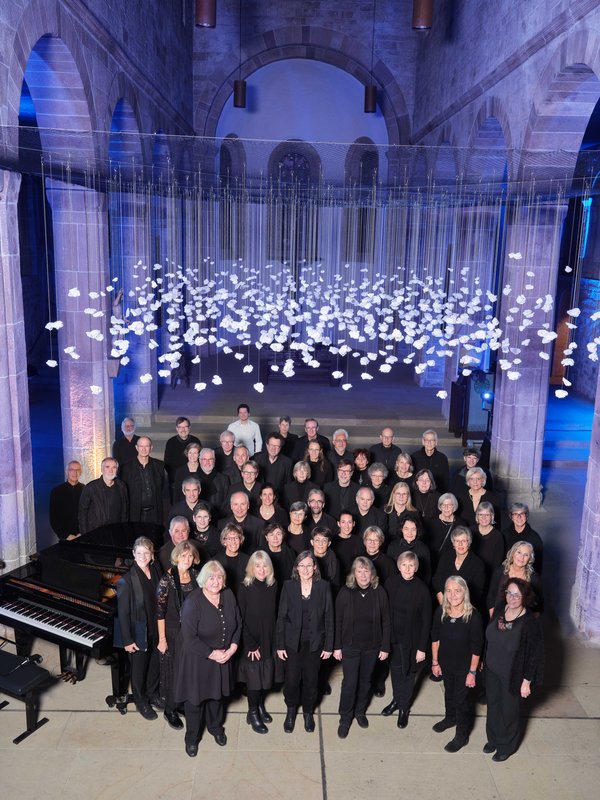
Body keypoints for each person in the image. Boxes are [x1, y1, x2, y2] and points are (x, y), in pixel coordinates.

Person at [175, 560, 241, 757]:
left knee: (217, 697)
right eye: (211, 577)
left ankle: (215, 727)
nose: (215, 581)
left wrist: (232, 648)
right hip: (198, 659)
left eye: (219, 577)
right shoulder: (193, 602)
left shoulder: (228, 595)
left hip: (223, 657)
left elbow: (238, 624)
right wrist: (213, 653)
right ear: (203, 579)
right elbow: (189, 638)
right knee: (195, 701)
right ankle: (192, 738)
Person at [484, 578, 544, 762]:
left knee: (509, 712)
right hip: (492, 670)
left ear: (525, 597)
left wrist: (526, 682)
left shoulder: (529, 622)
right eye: (509, 593)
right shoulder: (500, 609)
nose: (512, 598)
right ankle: (493, 739)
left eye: (517, 595)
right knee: (493, 706)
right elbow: (489, 637)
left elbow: (534, 655)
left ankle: (506, 746)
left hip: (512, 675)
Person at [276, 551, 334, 733]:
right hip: (292, 643)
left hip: (315, 643)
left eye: (309, 565)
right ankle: (291, 710)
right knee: (292, 680)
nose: (306, 569)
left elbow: (329, 618)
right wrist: (280, 644)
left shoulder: (323, 587)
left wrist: (329, 645)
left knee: (311, 680)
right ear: (296, 568)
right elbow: (281, 617)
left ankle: (308, 712)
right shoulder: (288, 586)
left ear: (315, 567)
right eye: (302, 565)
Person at [333, 557, 390, 738]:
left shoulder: (379, 592)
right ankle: (345, 718)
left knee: (366, 682)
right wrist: (337, 646)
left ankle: (359, 712)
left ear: (372, 574)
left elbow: (386, 621)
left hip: (372, 647)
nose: (363, 575)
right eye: (359, 571)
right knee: (350, 683)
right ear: (354, 574)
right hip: (350, 647)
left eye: (367, 571)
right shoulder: (345, 592)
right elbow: (337, 621)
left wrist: (385, 646)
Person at [430, 576, 483, 752]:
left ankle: (462, 735)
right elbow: (435, 638)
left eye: (457, 590)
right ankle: (450, 718)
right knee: (449, 694)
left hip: (464, 668)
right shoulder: (441, 612)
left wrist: (472, 672)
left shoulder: (473, 616)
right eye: (449, 590)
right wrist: (435, 662)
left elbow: (477, 648)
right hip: (446, 663)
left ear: (465, 592)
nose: (453, 595)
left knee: (462, 701)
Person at [114, 536, 163, 720]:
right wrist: (127, 640)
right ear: (133, 554)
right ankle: (141, 701)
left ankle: (153, 694)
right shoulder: (126, 580)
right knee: (139, 669)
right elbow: (122, 613)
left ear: (152, 554)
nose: (143, 556)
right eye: (139, 552)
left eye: (146, 552)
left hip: (156, 628)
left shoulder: (156, 570)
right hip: (138, 632)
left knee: (155, 664)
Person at [383, 551, 431, 727]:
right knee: (395, 670)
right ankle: (396, 700)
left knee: (408, 673)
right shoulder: (390, 583)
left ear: (416, 567)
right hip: (394, 637)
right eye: (404, 564)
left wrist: (422, 648)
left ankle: (404, 708)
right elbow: (385, 612)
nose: (408, 568)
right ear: (399, 566)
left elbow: (426, 621)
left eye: (411, 565)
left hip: (412, 640)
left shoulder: (422, 589)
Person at [156, 540, 200, 729]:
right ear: (177, 556)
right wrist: (162, 639)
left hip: (191, 632)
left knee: (187, 670)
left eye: (190, 556)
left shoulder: (196, 575)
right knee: (173, 672)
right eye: (184, 556)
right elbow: (160, 613)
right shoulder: (167, 580)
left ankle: (181, 703)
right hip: (173, 632)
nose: (187, 559)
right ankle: (170, 709)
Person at [237, 551, 280, 734]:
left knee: (265, 677)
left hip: (268, 638)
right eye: (257, 565)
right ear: (251, 568)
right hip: (251, 641)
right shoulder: (245, 587)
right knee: (254, 680)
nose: (261, 569)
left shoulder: (273, 585)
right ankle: (252, 711)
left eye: (265, 565)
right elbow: (239, 619)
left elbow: (275, 614)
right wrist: (251, 644)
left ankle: (260, 705)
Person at [433, 526, 486, 611]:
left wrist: (457, 610)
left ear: (469, 543)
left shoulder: (478, 564)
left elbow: (477, 593)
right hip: (444, 605)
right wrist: (444, 605)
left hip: (465, 609)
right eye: (457, 541)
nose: (460, 544)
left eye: (464, 541)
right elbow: (437, 581)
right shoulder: (446, 557)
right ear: (453, 543)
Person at [486, 540, 543, 615]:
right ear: (513, 553)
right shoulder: (499, 571)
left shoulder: (534, 578)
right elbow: (491, 596)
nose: (522, 557)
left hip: (522, 619)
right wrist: (493, 616)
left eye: (526, 555)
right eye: (519, 552)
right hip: (498, 616)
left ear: (530, 558)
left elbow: (537, 605)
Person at [121, 436, 167, 525]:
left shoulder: (159, 465)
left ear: (151, 447)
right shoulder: (126, 468)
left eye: (146, 446)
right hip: (135, 513)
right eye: (141, 446)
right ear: (136, 447)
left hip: (155, 512)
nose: (144, 449)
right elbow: (124, 492)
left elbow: (161, 488)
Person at [78, 456, 128, 534]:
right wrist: (85, 534)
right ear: (102, 469)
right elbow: (82, 513)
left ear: (117, 470)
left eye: (114, 467)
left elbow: (125, 511)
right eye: (107, 467)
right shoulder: (91, 487)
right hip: (96, 532)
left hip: (116, 532)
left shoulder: (122, 486)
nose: (111, 470)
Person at [387, 512, 432, 585]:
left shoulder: (424, 549)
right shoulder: (392, 546)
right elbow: (389, 572)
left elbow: (427, 576)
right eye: (406, 529)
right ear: (401, 529)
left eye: (413, 529)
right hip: (395, 585)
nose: (409, 533)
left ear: (417, 530)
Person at [163, 416, 202, 500]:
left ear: (189, 428)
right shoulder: (171, 442)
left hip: (194, 478)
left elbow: (200, 461)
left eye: (185, 427)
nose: (183, 429)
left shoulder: (195, 440)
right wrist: (177, 477)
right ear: (176, 428)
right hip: (176, 478)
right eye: (180, 427)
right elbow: (167, 463)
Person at [425, 493, 467, 566]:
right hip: (432, 562)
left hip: (451, 562)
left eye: (449, 505)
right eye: (443, 505)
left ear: (454, 507)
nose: (446, 508)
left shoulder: (461, 524)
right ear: (440, 507)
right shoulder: (430, 522)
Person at [502, 503, 544, 575]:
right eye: (515, 514)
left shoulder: (535, 538)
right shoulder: (504, 535)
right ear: (511, 517)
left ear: (526, 516)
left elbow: (538, 565)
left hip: (526, 574)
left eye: (522, 514)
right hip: (506, 572)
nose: (519, 517)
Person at [49, 460, 84, 540]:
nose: (75, 473)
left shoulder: (86, 490)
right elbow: (53, 518)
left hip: (82, 535)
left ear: (81, 472)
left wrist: (82, 533)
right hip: (65, 537)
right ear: (66, 472)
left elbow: (90, 516)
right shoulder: (56, 491)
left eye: (77, 470)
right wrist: (66, 536)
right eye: (71, 470)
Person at [471, 501, 505, 583]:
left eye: (487, 515)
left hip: (489, 577)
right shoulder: (470, 531)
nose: (484, 518)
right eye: (481, 515)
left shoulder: (498, 536)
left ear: (492, 516)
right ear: (477, 516)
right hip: (471, 573)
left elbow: (497, 563)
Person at [214, 522, 250, 592]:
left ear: (240, 540)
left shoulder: (248, 560)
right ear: (224, 542)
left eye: (236, 538)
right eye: (229, 539)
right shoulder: (215, 561)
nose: (233, 542)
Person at [196, 448, 229, 517]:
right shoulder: (192, 480)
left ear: (214, 460)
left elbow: (226, 503)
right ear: (200, 460)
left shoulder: (224, 479)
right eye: (204, 459)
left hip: (219, 518)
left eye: (210, 459)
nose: (207, 462)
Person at [262, 522, 296, 591]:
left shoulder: (290, 553)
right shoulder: (259, 553)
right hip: (265, 590)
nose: (275, 538)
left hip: (286, 589)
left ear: (282, 536)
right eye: (271, 535)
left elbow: (294, 576)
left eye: (278, 534)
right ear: (266, 537)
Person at [332, 512, 364, 580]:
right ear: (338, 524)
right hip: (336, 577)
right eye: (343, 522)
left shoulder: (359, 541)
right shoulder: (332, 541)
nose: (346, 526)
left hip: (354, 578)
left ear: (353, 524)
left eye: (349, 522)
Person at [310, 526, 340, 593]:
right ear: (312, 542)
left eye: (324, 540)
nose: (320, 544)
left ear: (329, 543)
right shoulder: (305, 559)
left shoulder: (335, 561)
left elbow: (336, 586)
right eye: (317, 540)